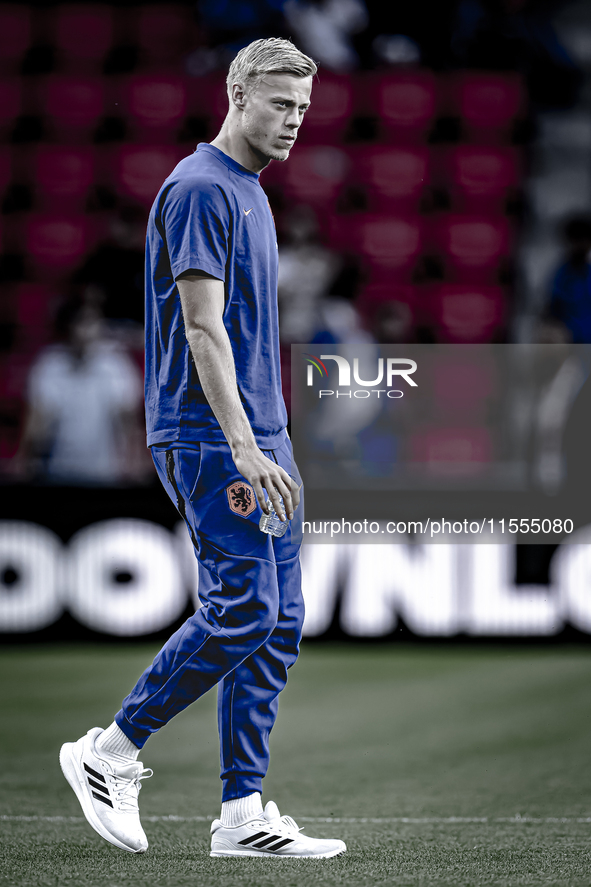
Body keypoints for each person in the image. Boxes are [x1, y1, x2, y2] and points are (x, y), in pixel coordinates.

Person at [59, 38, 346, 860]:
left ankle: (241, 814)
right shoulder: (199, 189)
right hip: (214, 434)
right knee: (245, 610)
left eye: (301, 108)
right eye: (279, 104)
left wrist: (271, 437)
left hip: (263, 431)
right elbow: (200, 326)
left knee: (281, 619)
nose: (293, 122)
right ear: (236, 93)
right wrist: (245, 443)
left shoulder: (249, 190)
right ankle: (108, 751)